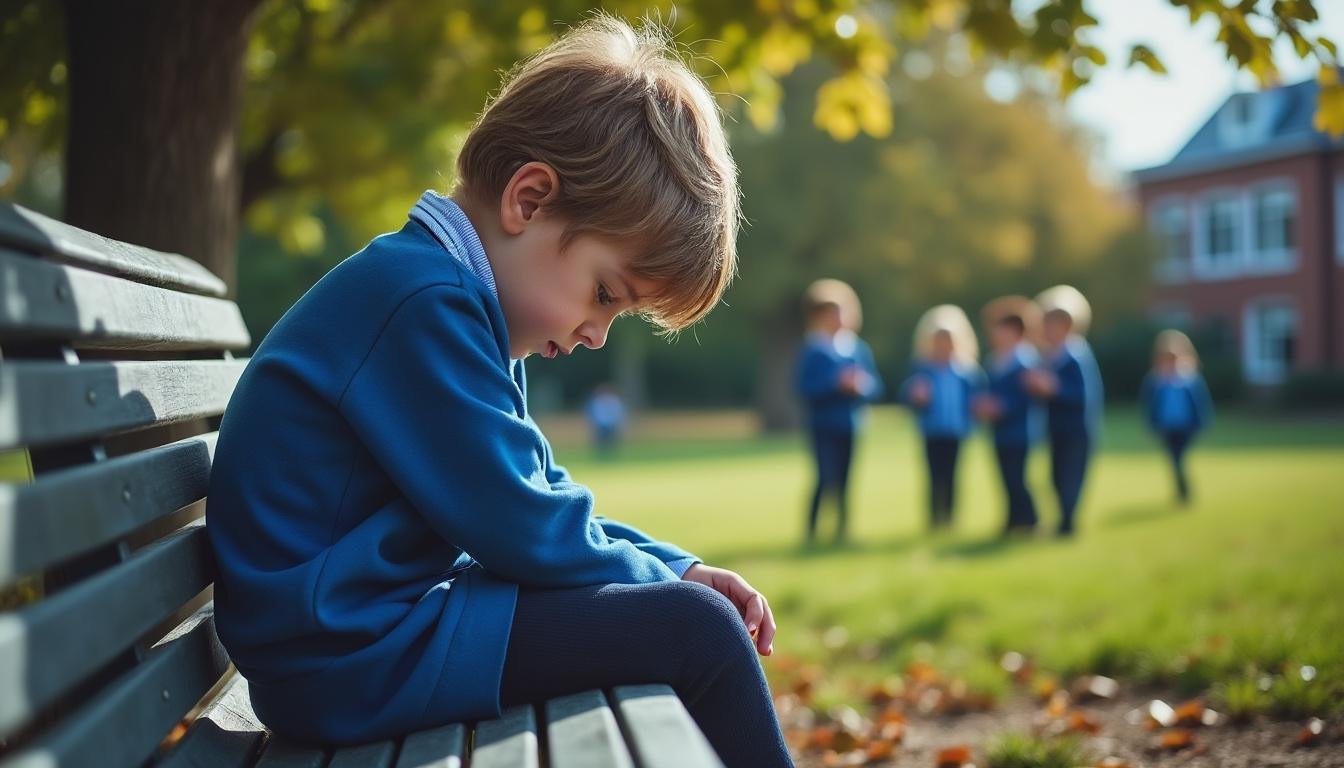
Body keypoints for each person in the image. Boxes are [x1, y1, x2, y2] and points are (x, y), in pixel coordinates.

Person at [206, 17, 792, 766]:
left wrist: (676, 567)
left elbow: (534, 490)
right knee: (697, 632)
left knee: (687, 613)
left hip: (375, 637)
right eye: (605, 294)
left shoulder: (453, 300)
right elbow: (523, 524)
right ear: (531, 198)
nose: (596, 334)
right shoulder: (421, 303)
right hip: (350, 660)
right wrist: (683, 593)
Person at [794, 279, 883, 546]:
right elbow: (804, 388)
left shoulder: (857, 348)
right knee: (824, 477)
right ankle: (812, 531)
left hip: (851, 425)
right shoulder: (814, 350)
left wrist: (860, 386)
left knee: (846, 479)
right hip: (823, 425)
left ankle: (843, 531)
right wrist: (836, 385)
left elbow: (875, 386)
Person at [1024, 285, 1103, 537]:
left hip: (1077, 430)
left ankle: (1068, 525)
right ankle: (1062, 521)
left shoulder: (1076, 355)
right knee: (1056, 478)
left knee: (1071, 478)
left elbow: (1082, 396)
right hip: (1056, 428)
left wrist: (1054, 388)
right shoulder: (1050, 357)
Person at [900, 305, 983, 531]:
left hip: (956, 430)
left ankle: (950, 518)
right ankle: (934, 519)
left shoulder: (966, 371)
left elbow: (977, 398)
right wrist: (916, 397)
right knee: (934, 476)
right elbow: (908, 397)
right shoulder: (923, 369)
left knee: (953, 476)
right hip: (932, 430)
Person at [974, 296, 1043, 536]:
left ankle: (1031, 521)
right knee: (1005, 477)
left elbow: (1024, 398)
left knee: (1017, 477)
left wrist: (1002, 407)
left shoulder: (1025, 360)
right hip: (1000, 431)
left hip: (1019, 431)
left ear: (1014, 331)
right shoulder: (997, 360)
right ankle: (1013, 521)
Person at [1139, 330, 1213, 505]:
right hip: (1166, 426)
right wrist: (1151, 425)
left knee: (1178, 458)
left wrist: (1202, 423)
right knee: (1174, 459)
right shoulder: (1156, 380)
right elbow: (1148, 404)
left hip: (1186, 426)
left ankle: (1183, 491)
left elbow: (1201, 403)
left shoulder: (1189, 378)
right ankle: (1182, 491)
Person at [585, 382, 627, 457]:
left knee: (612, 444)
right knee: (601, 445)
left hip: (611, 425)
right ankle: (602, 457)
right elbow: (593, 414)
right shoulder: (597, 401)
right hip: (601, 426)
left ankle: (612, 457)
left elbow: (618, 413)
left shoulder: (614, 401)